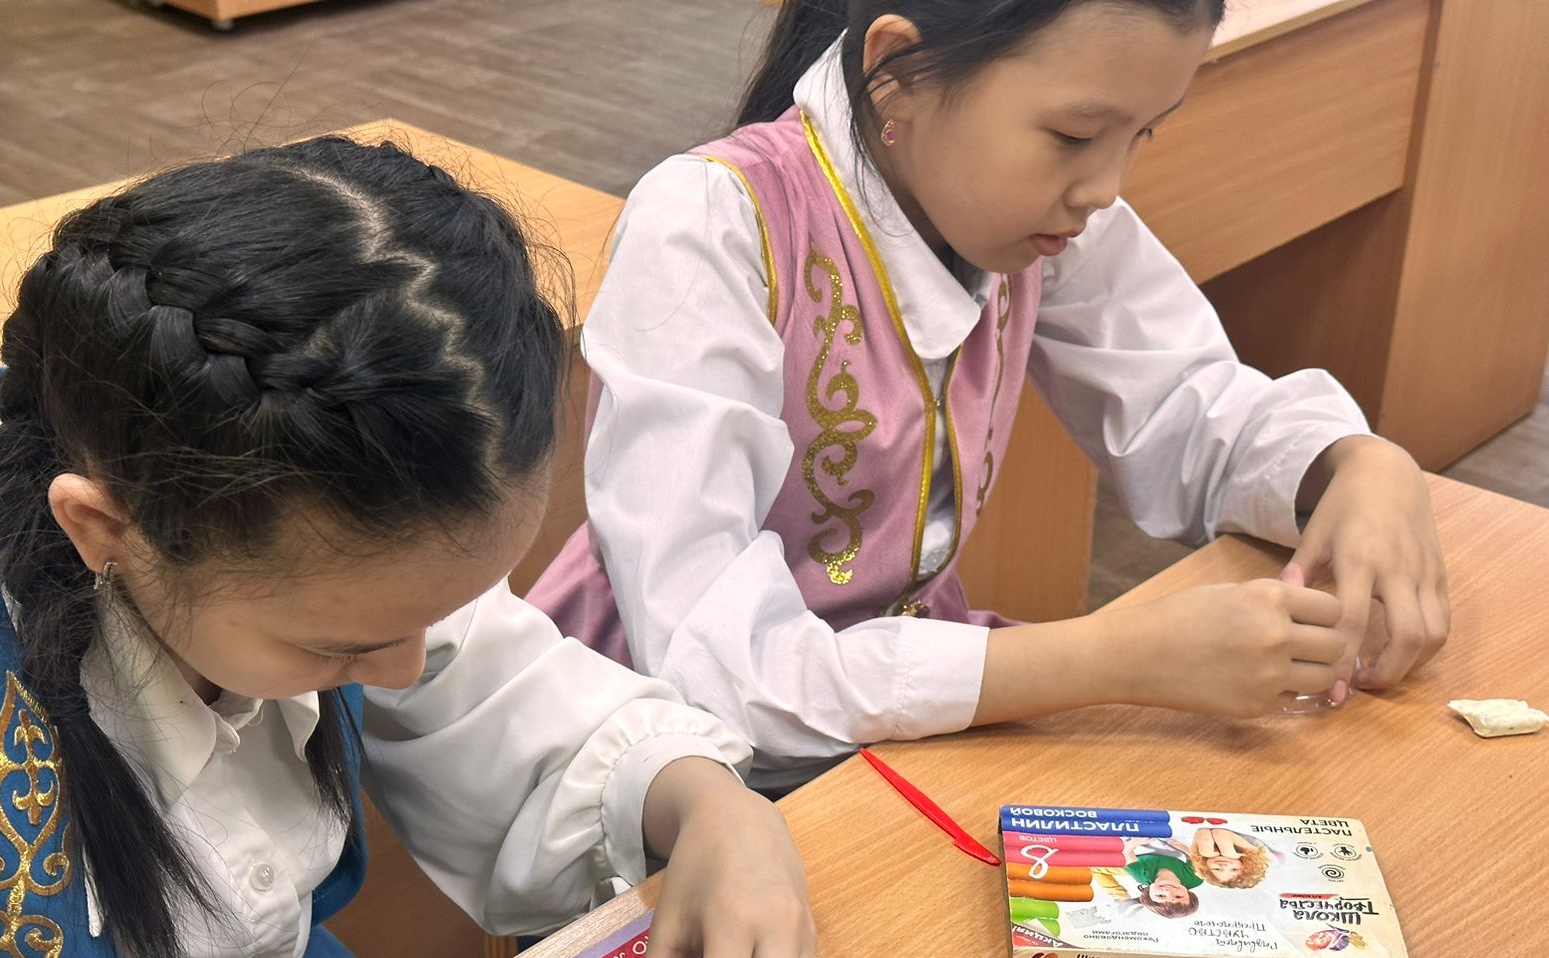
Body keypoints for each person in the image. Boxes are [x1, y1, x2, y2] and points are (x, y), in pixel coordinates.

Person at [0, 136, 816, 958]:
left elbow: (506, 692)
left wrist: (710, 805)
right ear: (104, 530)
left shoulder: (316, 526)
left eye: (436, 615)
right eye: (341, 648)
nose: (402, 669)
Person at [529, 0, 1449, 790]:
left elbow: (1190, 403)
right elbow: (718, 669)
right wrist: (1113, 656)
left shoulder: (1045, 216)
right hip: (672, 765)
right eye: (1075, 137)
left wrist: (1355, 462)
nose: (1106, 188)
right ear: (897, 71)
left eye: (1144, 134)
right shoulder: (710, 225)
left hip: (894, 735)